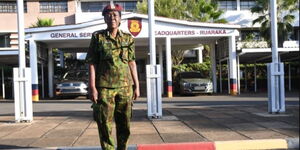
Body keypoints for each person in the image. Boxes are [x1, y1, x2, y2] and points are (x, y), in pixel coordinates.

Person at [85, 3, 140, 150]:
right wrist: (92, 87)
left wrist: (137, 86)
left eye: (115, 15)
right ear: (104, 19)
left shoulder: (128, 39)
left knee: (125, 124)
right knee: (104, 124)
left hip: (125, 88)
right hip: (104, 88)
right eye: (108, 15)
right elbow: (91, 63)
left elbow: (132, 63)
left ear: (120, 19)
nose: (112, 18)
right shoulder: (98, 37)